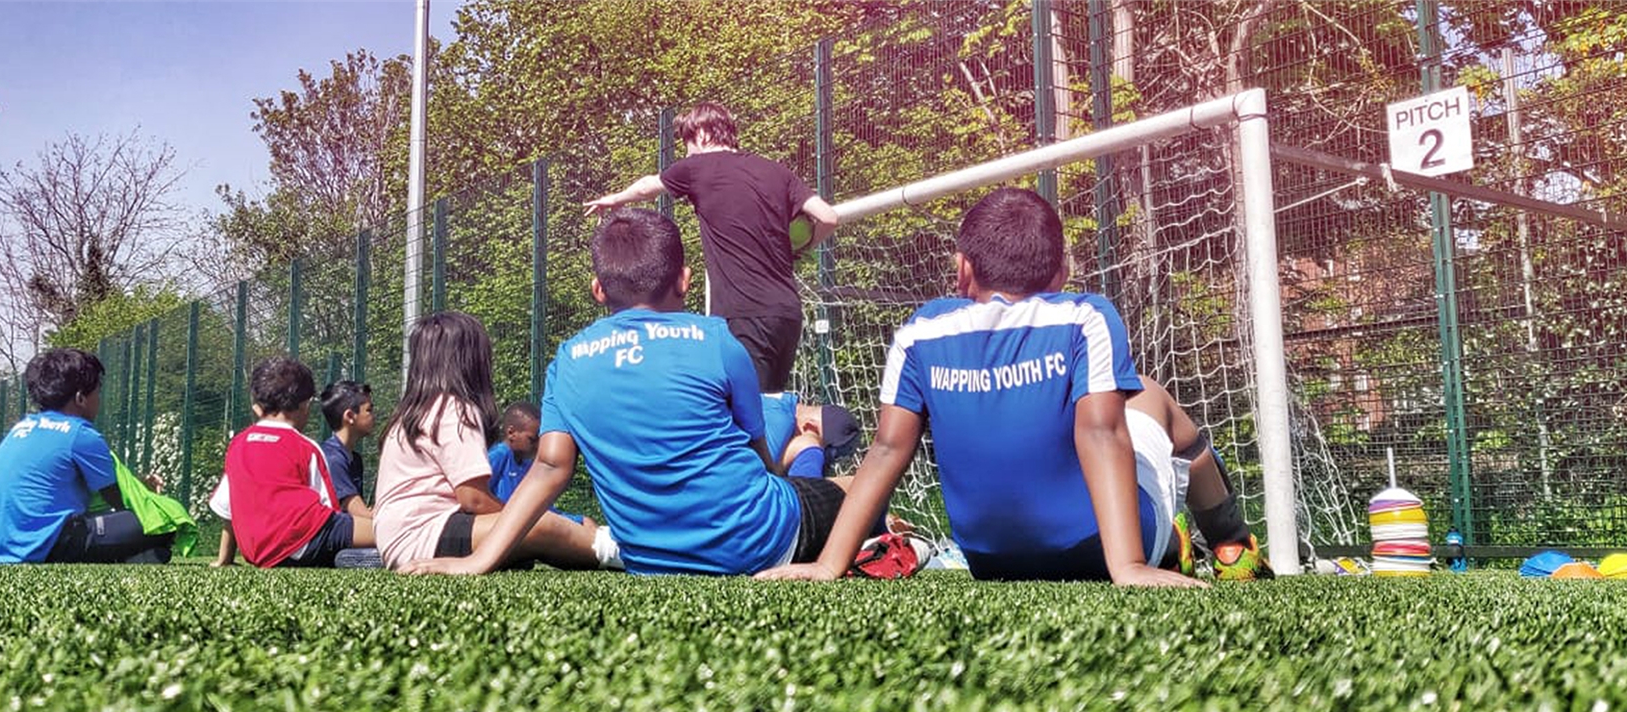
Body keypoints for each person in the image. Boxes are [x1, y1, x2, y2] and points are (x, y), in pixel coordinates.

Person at [755, 187, 1271, 587]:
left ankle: (1181, 542)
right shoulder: (1085, 316)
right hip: (1100, 554)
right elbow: (1101, 435)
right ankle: (1231, 542)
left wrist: (827, 567)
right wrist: (1129, 566)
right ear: (1062, 271)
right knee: (1151, 398)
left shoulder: (921, 330)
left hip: (989, 559)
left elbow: (888, 448)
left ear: (963, 270)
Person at [403, 209, 876, 578]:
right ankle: (903, 547)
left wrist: (477, 560)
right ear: (685, 280)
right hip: (759, 541)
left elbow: (548, 469)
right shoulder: (717, 340)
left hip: (651, 560)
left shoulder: (569, 359)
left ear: (597, 290)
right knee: (857, 488)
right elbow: (760, 458)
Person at [582, 101, 840, 397]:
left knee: (746, 418)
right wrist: (802, 247)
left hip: (743, 313)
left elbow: (648, 187)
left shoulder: (698, 167)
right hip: (787, 313)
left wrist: (616, 199)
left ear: (702, 134)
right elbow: (829, 217)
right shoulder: (777, 171)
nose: (686, 151)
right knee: (771, 409)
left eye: (687, 141)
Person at [371, 311, 602, 571]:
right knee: (541, 524)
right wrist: (516, 521)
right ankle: (615, 550)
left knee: (527, 528)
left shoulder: (411, 414)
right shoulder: (452, 408)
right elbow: (474, 500)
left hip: (397, 539)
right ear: (469, 362)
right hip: (427, 535)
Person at [0, 348, 174, 565]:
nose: (99, 400)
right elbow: (117, 500)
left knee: (140, 540)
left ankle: (137, 557)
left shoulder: (21, 428)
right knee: (163, 521)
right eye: (97, 392)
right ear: (81, 398)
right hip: (46, 544)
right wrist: (146, 495)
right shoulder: (80, 433)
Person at [207, 357, 378, 569]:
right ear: (305, 405)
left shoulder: (237, 445)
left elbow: (227, 510)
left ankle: (350, 555)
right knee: (386, 531)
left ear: (257, 408)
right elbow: (328, 511)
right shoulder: (305, 447)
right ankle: (394, 550)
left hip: (261, 553)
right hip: (305, 537)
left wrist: (224, 559)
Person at [486, 401, 587, 525]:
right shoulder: (498, 456)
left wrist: (575, 520)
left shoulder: (528, 465)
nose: (537, 446)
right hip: (501, 525)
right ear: (511, 433)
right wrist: (508, 515)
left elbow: (541, 507)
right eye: (532, 439)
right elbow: (478, 497)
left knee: (584, 523)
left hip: (522, 525)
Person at [316, 380, 376, 519]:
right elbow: (362, 515)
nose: (374, 416)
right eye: (369, 410)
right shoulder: (332, 459)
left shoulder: (354, 459)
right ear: (350, 416)